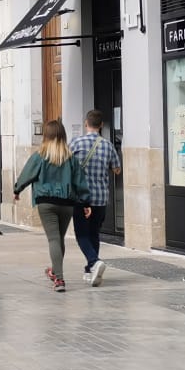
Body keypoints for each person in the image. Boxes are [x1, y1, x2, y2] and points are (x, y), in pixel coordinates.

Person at [13, 120, 89, 293]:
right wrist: (85, 202)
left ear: (45, 135)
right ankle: (55, 271)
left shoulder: (40, 156)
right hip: (67, 203)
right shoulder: (70, 158)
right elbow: (80, 182)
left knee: (53, 239)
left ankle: (60, 279)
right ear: (63, 135)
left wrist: (17, 189)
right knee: (59, 239)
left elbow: (27, 174)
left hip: (46, 203)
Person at [68, 110, 121, 287]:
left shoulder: (75, 143)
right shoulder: (108, 145)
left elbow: (66, 166)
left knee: (81, 234)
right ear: (101, 125)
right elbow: (117, 169)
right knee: (94, 233)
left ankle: (94, 262)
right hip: (100, 198)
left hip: (81, 199)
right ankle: (90, 269)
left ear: (86, 123)